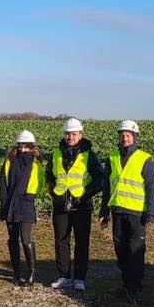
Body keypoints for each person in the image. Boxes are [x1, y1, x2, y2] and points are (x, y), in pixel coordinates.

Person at [44, 117, 105, 292]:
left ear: (80, 134)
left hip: (82, 205)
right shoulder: (56, 154)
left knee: (81, 242)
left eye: (73, 133)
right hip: (60, 204)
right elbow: (49, 175)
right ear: (64, 135)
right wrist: (52, 190)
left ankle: (79, 278)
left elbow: (100, 179)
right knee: (61, 241)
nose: (70, 137)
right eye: (67, 133)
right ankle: (63, 276)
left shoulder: (89, 155)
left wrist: (85, 195)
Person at [98, 120, 154, 299]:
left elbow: (151, 188)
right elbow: (107, 187)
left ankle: (134, 287)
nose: (125, 138)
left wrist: (150, 212)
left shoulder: (144, 159)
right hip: (117, 211)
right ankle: (126, 284)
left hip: (136, 213)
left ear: (134, 137)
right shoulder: (112, 158)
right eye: (122, 135)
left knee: (135, 250)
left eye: (128, 135)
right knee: (120, 249)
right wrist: (103, 211)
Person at [0, 130, 43, 286]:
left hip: (26, 204)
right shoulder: (9, 161)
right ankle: (16, 273)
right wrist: (3, 201)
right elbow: (2, 181)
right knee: (12, 239)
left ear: (32, 147)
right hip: (10, 204)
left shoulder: (36, 164)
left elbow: (39, 183)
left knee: (25, 238)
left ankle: (31, 272)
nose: (24, 150)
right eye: (21, 147)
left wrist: (30, 196)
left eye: (27, 147)